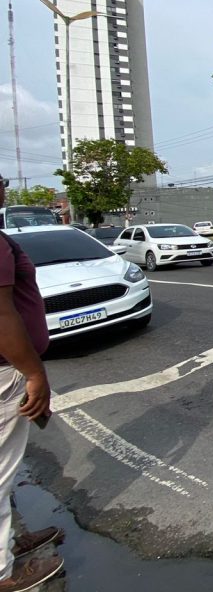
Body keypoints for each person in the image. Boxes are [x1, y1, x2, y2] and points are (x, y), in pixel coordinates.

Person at [0, 174, 64, 592]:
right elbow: (2, 316)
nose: (4, 186)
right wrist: (34, 372)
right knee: (0, 469)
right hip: (5, 371)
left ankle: (6, 545)